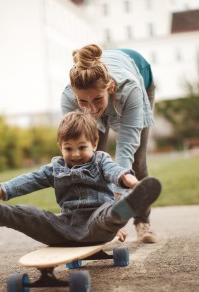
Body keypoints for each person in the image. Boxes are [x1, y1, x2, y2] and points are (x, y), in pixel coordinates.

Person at [0, 111, 161, 246]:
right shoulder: (56, 168)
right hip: (66, 226)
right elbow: (27, 180)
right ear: (59, 147)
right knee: (28, 215)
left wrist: (131, 182)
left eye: (82, 147)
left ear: (94, 144)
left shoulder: (100, 160)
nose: (74, 154)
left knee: (107, 215)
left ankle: (122, 211)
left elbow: (114, 170)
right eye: (68, 148)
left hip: (97, 221)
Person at [61, 44, 157, 243]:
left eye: (97, 99)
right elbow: (77, 155)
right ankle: (91, 220)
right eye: (83, 102)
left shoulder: (129, 89)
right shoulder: (69, 98)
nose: (92, 109)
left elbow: (126, 148)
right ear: (74, 94)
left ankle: (142, 222)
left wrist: (114, 208)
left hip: (140, 76)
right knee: (89, 160)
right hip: (107, 81)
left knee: (137, 164)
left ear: (110, 88)